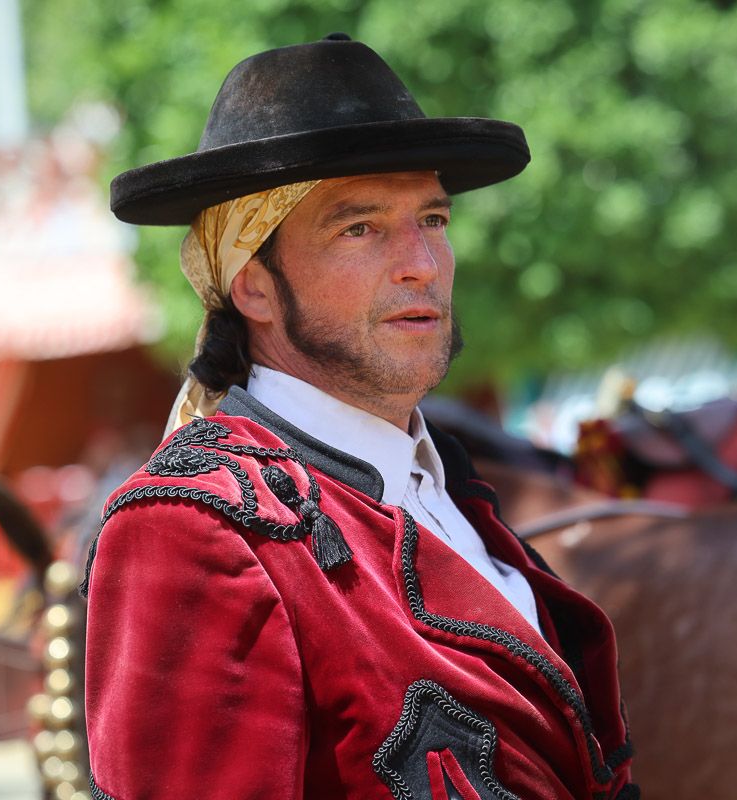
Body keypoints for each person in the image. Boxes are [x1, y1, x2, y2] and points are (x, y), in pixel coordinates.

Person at [81, 34, 636, 799]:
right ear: (255, 287)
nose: (421, 262)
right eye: (360, 228)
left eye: (434, 220)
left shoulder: (451, 492)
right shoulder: (195, 525)